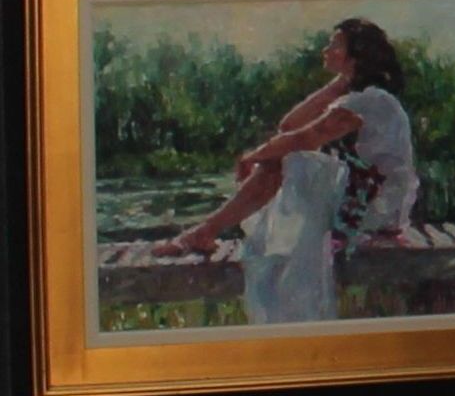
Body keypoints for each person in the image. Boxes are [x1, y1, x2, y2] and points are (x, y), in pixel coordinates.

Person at [154, 18, 418, 325]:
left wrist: (254, 156)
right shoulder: (357, 96)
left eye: (334, 45)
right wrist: (340, 82)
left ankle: (205, 231)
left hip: (376, 210)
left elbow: (305, 137)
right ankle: (205, 231)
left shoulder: (371, 100)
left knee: (290, 161)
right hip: (362, 201)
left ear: (356, 55)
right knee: (289, 160)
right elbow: (289, 124)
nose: (325, 50)